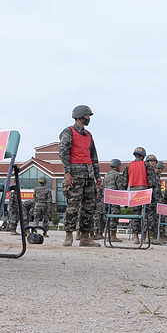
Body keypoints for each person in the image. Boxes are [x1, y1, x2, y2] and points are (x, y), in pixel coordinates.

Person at [59, 106, 101, 247]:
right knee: (73, 206)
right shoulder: (68, 132)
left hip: (89, 175)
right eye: (87, 116)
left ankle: (85, 237)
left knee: (89, 206)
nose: (88, 118)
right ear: (79, 116)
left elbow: (94, 156)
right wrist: (67, 173)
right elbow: (63, 152)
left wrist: (97, 176)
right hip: (75, 175)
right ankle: (68, 235)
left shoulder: (89, 135)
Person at [126, 147, 149, 244]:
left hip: (133, 192)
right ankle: (146, 236)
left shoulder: (129, 165)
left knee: (135, 215)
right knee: (145, 214)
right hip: (144, 192)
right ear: (143, 156)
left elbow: (124, 180)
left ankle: (135, 237)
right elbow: (151, 180)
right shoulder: (146, 165)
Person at [102, 159, 127, 241]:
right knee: (114, 217)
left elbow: (103, 187)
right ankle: (112, 236)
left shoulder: (106, 175)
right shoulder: (117, 175)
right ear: (117, 166)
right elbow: (120, 187)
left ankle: (108, 234)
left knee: (108, 217)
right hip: (115, 199)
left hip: (106, 199)